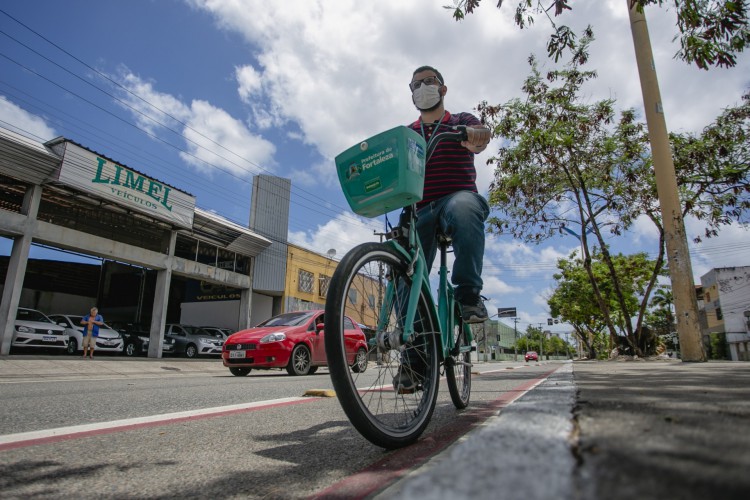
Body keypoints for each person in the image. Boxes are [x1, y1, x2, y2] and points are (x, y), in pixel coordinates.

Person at [407, 65, 491, 324]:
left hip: (455, 201)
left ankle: (468, 296)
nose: (422, 88)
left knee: (465, 207)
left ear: (442, 89)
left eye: (428, 81)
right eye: (415, 86)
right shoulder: (408, 132)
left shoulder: (460, 121)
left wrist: (473, 136)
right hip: (419, 210)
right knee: (404, 267)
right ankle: (416, 351)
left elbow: (482, 136)